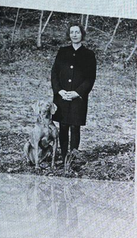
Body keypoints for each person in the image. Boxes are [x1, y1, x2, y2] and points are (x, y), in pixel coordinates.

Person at [50, 23, 96, 166]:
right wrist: (59, 91)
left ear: (82, 34)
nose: (74, 34)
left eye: (77, 32)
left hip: (78, 98)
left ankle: (72, 158)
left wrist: (77, 93)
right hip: (62, 97)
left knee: (75, 127)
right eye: (72, 32)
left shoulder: (89, 54)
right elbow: (54, 73)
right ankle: (63, 157)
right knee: (63, 126)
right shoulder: (62, 51)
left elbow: (90, 78)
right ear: (69, 35)